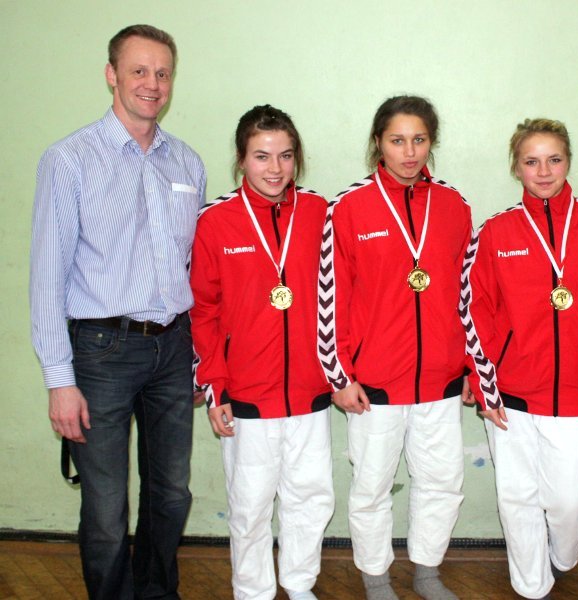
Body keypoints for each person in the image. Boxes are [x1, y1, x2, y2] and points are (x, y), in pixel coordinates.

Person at [29, 24, 205, 600]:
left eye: (162, 73)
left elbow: (193, 268)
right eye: (139, 71)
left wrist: (199, 359)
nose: (152, 84)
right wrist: (59, 380)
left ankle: (156, 592)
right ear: (112, 75)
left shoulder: (187, 163)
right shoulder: (69, 160)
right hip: (101, 353)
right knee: (106, 509)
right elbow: (47, 278)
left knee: (171, 494)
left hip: (173, 348)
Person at [459, 118, 578, 599]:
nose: (544, 171)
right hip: (510, 394)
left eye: (554, 159)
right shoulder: (495, 232)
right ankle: (531, 584)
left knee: (575, 501)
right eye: (531, 161)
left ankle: (562, 555)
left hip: (576, 394)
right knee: (518, 497)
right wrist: (485, 383)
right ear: (516, 168)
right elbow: (475, 313)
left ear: (568, 161)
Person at [317, 95, 471, 600]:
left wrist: (470, 367)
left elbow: (466, 294)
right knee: (371, 488)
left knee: (442, 483)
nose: (409, 152)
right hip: (374, 383)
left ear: (432, 142)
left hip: (440, 380)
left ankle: (427, 571)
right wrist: (340, 375)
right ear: (378, 143)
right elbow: (330, 298)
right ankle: (376, 577)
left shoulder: (454, 205)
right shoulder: (348, 208)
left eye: (419, 140)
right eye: (397, 140)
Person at [190, 105, 333, 600]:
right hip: (247, 393)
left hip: (310, 391)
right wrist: (215, 386)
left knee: (310, 497)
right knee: (250, 506)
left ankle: (299, 583)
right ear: (241, 158)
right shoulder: (215, 221)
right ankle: (252, 591)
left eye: (285, 156)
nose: (275, 168)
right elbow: (203, 311)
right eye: (262, 156)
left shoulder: (320, 213)